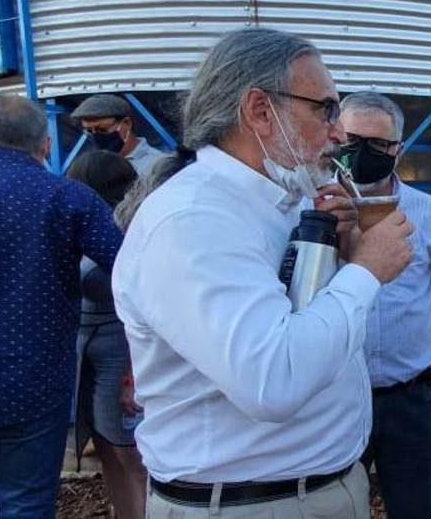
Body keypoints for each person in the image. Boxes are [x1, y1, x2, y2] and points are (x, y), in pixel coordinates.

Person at [112, 28, 414, 518]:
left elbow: (302, 322)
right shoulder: (194, 219)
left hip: (309, 491)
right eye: (326, 110)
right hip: (250, 504)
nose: (339, 134)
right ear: (259, 110)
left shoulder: (278, 202)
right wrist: (365, 271)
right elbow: (273, 381)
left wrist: (343, 254)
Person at [0, 95, 123, 519]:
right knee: (26, 507)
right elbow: (131, 269)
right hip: (30, 387)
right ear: (46, 144)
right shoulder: (68, 198)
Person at [338, 92, 431, 519]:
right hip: (336, 398)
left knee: (414, 509)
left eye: (378, 145)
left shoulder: (426, 212)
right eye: (352, 141)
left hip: (411, 397)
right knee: (335, 507)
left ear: (398, 150)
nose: (362, 154)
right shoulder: (312, 208)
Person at [65, 150, 148, 519]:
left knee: (132, 457)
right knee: (109, 452)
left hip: (121, 353)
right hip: (92, 355)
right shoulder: (86, 226)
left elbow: (145, 310)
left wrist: (133, 375)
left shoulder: (130, 234)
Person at [71, 93, 168, 175]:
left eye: (102, 129)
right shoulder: (91, 168)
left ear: (126, 123)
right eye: (89, 131)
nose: (96, 136)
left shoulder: (158, 165)